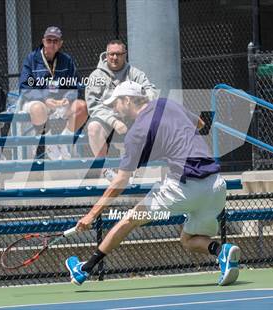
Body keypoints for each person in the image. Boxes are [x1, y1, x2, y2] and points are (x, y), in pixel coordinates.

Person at [65, 81, 240, 286]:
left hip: (183, 187)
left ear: (128, 100)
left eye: (117, 103)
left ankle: (84, 270)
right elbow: (199, 124)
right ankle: (222, 252)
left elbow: (121, 181)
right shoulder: (167, 104)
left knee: (129, 219)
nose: (115, 109)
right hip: (216, 186)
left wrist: (91, 215)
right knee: (188, 239)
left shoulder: (135, 134)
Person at [85, 40, 158, 179]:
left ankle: (140, 165)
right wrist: (113, 121)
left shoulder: (135, 73)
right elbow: (93, 105)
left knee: (151, 117)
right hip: (108, 120)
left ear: (125, 55)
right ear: (106, 55)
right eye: (111, 54)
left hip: (131, 117)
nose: (114, 57)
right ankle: (105, 170)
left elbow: (151, 91)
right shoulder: (96, 76)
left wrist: (139, 102)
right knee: (93, 127)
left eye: (118, 54)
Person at [19, 26, 88, 159]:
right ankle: (50, 144)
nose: (52, 44)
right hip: (38, 101)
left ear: (60, 43)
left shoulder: (66, 60)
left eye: (55, 41)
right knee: (38, 108)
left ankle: (63, 142)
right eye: (49, 40)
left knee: (81, 107)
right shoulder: (31, 59)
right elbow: (25, 86)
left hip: (60, 103)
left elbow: (74, 85)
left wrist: (67, 99)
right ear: (43, 41)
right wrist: (45, 99)